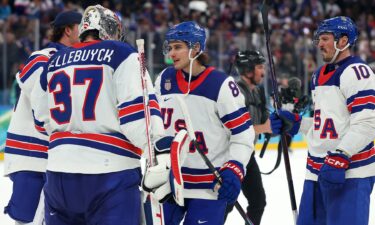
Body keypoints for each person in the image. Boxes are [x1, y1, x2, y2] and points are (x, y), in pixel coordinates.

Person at [31, 5, 169, 225]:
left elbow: (40, 121)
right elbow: (137, 119)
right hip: (110, 177)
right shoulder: (122, 53)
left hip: (58, 177)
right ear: (110, 30)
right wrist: (159, 153)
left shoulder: (54, 62)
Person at [270, 16, 375, 225]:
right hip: (316, 171)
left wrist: (341, 155)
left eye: (325, 39)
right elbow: (326, 124)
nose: (320, 44)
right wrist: (297, 123)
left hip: (349, 172)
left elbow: (367, 123)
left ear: (343, 41)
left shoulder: (357, 72)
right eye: (319, 39)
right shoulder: (318, 75)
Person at [155, 21, 255, 225]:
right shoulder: (164, 79)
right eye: (170, 47)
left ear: (196, 48)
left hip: (208, 186)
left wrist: (235, 167)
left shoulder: (221, 84)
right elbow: (155, 123)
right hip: (170, 183)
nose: (172, 53)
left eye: (178, 47)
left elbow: (243, 133)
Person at [3, 10, 82, 225]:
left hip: (55, 155)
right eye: (81, 26)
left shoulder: (78, 61)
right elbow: (42, 107)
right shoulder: (42, 58)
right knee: (28, 220)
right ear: (68, 30)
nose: (86, 31)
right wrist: (62, 138)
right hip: (33, 154)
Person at [225, 50, 269, 225]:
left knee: (258, 201)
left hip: (247, 155)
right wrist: (264, 127)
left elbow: (266, 123)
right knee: (225, 203)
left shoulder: (257, 92)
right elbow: (231, 130)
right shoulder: (234, 93)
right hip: (230, 155)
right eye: (259, 67)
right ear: (248, 69)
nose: (263, 71)